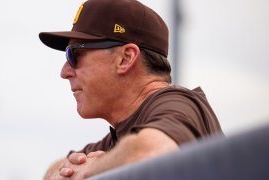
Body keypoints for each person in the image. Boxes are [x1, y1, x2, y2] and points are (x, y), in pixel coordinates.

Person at [39, 0, 223, 179]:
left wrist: (92, 169)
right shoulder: (122, 139)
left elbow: (152, 150)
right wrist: (66, 172)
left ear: (126, 58)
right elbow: (53, 170)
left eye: (74, 54)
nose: (65, 72)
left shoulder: (177, 103)